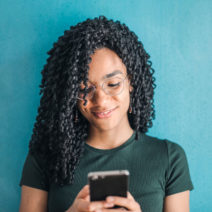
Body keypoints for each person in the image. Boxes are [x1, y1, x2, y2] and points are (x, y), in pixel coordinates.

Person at [19, 16, 193, 212]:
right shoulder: (45, 157)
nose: (101, 101)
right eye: (85, 89)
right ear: (70, 94)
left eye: (113, 84)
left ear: (131, 82)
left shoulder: (169, 158)